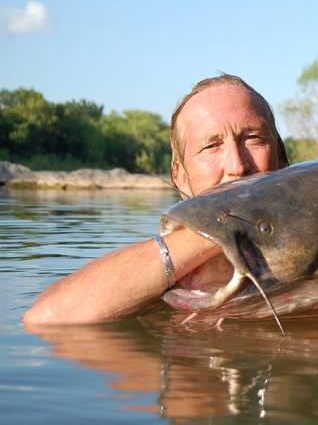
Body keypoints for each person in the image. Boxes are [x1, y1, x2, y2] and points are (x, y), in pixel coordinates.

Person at [23, 74, 289, 325]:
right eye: (211, 146)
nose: (237, 165)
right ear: (180, 177)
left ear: (282, 160)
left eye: (253, 139)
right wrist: (221, 225)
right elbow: (46, 317)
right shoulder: (154, 281)